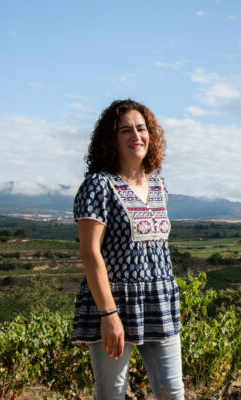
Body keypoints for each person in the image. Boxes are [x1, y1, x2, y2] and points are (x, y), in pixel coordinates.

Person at [72, 99, 184, 400]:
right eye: (125, 130)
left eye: (141, 128)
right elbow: (89, 253)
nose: (136, 136)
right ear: (112, 139)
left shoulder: (159, 185)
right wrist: (108, 313)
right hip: (114, 301)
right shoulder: (98, 186)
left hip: (158, 299)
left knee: (172, 392)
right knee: (111, 393)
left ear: (151, 135)